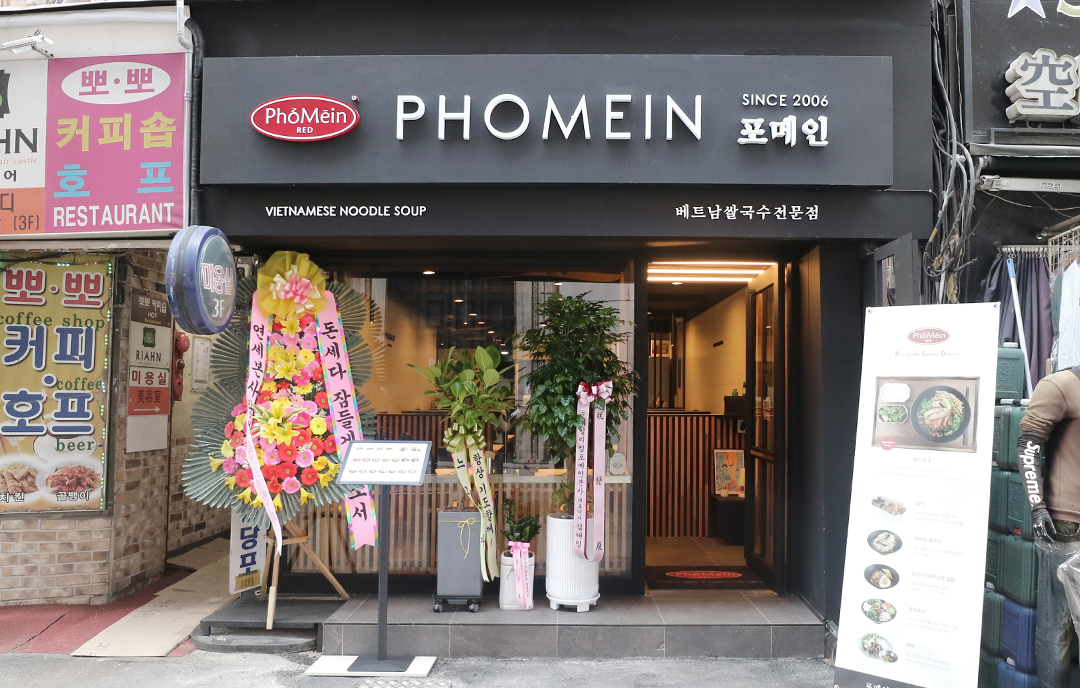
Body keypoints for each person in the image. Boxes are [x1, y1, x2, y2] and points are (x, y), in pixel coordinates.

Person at [1019, 367, 1080, 688]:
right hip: (1066, 527)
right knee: (1058, 629)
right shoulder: (1061, 385)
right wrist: (1037, 506)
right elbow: (1029, 446)